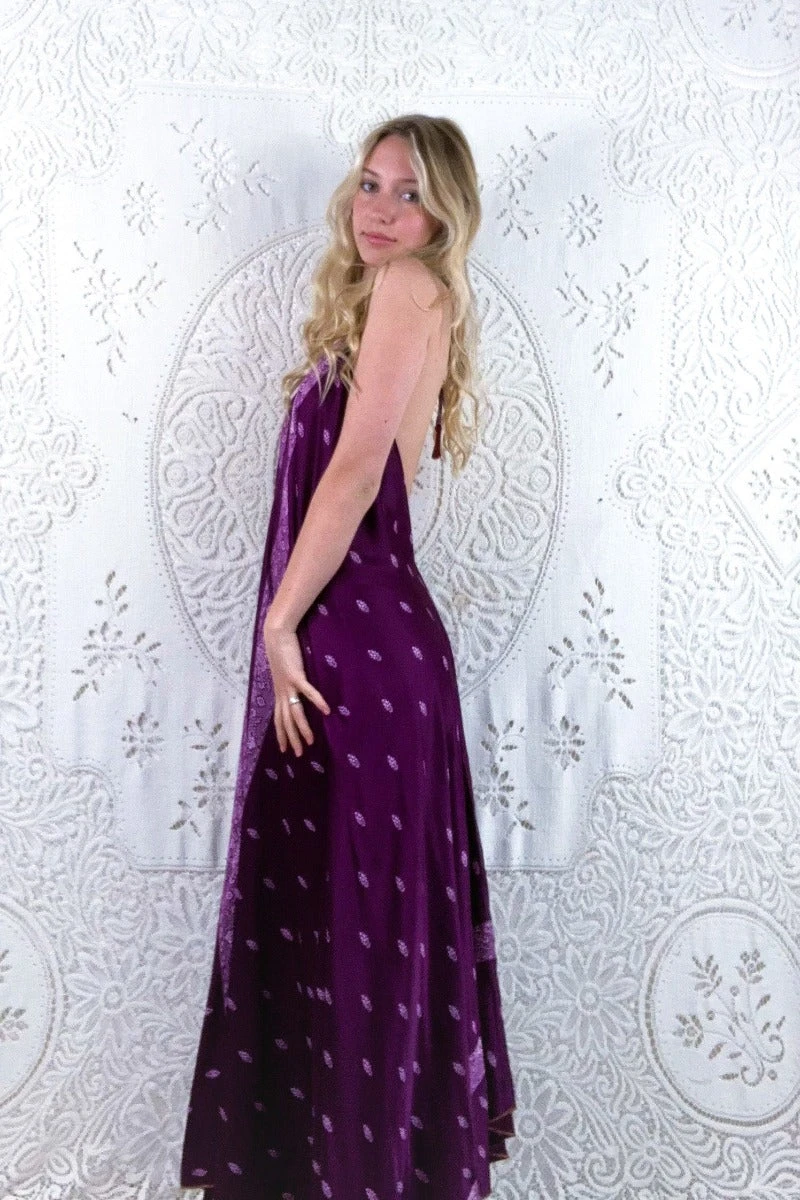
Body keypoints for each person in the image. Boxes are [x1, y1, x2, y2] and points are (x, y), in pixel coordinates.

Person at [179, 113, 516, 1200]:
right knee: (338, 929)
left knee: (359, 933)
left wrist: (279, 625)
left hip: (357, 654)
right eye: (370, 184)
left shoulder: (412, 286)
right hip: (356, 651)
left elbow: (357, 471)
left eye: (408, 193)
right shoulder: (381, 301)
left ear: (442, 216)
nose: (380, 210)